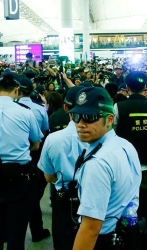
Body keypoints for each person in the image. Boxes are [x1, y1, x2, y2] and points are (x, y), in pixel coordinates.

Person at [70, 87, 142, 250]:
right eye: (76, 117)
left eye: (89, 117)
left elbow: (91, 229)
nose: (81, 124)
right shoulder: (125, 145)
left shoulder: (98, 163)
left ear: (109, 120)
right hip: (127, 232)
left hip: (104, 240)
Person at [113, 72, 147, 250]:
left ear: (127, 88)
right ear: (145, 88)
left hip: (125, 166)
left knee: (125, 201)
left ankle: (127, 237)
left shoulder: (118, 107)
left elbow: (112, 135)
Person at [38, 86, 87, 250]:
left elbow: (49, 177)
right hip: (93, 195)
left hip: (63, 195)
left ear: (66, 108)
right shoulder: (103, 139)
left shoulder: (53, 139)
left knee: (63, 239)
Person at [0, 73, 43, 250]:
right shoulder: (25, 112)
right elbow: (36, 143)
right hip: (18, 176)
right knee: (16, 231)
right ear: (17, 90)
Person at [17, 76, 51, 242]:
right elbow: (44, 131)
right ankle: (37, 231)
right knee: (33, 194)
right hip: (34, 155)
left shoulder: (11, 108)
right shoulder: (38, 109)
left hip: (12, 159)